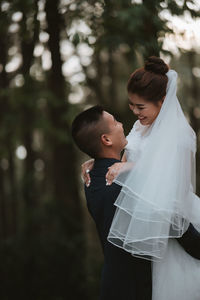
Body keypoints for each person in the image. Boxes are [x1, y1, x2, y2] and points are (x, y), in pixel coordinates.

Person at [82, 57, 200, 299]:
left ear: (162, 101)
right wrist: (99, 160)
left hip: (174, 223)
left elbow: (169, 188)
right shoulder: (138, 128)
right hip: (149, 229)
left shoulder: (180, 137)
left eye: (141, 107)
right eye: (131, 106)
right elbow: (121, 164)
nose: (135, 113)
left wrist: (132, 168)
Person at [71, 106, 152, 300]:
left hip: (112, 284)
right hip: (137, 287)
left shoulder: (91, 178)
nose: (122, 124)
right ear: (106, 139)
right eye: (115, 122)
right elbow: (165, 217)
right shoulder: (127, 181)